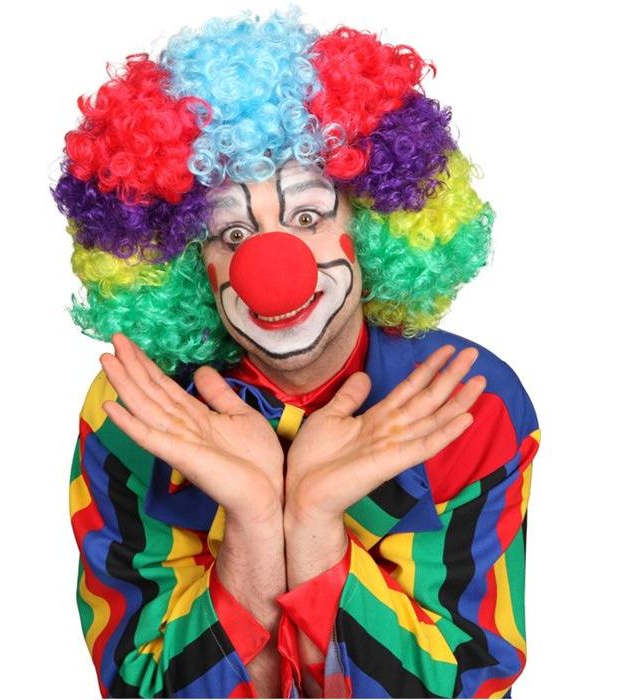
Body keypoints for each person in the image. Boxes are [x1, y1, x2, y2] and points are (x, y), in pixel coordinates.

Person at [52, 7, 540, 698]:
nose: (269, 265)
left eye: (307, 216)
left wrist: (313, 526)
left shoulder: (470, 403)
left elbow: (469, 684)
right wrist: (255, 525)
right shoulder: (137, 411)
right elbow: (141, 688)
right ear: (190, 266)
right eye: (230, 235)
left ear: (372, 225)